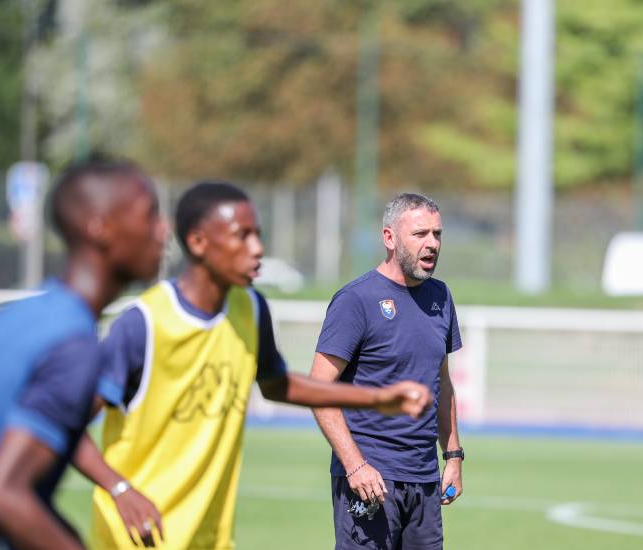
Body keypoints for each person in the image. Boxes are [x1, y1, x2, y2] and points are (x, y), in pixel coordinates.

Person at [73, 181, 431, 550]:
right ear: (198, 243)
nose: (257, 249)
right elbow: (64, 425)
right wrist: (119, 488)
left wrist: (378, 399)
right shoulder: (144, 324)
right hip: (136, 539)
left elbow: (278, 385)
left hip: (210, 539)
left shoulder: (250, 310)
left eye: (257, 235)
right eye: (241, 236)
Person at [0, 156, 168, 550]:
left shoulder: (15, 318)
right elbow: (2, 494)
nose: (163, 231)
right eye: (150, 215)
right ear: (100, 227)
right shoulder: (74, 345)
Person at [310, 192, 464, 550]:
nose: (432, 244)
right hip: (371, 479)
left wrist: (453, 456)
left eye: (437, 234)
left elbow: (442, 383)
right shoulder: (356, 300)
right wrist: (355, 465)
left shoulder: (441, 297)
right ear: (390, 238)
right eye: (420, 234)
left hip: (424, 480)